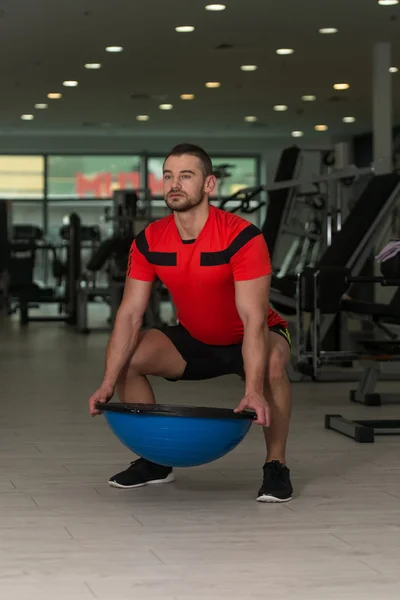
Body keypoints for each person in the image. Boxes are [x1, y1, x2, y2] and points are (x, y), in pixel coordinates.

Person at [88, 143, 293, 503]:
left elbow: (253, 318)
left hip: (253, 336)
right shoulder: (150, 239)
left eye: (186, 176)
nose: (174, 184)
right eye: (168, 176)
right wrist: (106, 382)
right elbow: (130, 314)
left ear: (209, 184)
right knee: (126, 359)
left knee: (274, 363)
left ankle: (275, 465)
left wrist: (254, 386)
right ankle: (155, 462)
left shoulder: (242, 236)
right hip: (196, 337)